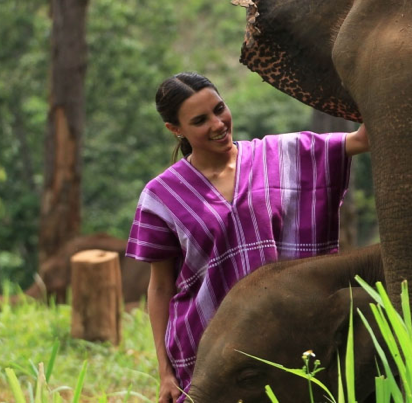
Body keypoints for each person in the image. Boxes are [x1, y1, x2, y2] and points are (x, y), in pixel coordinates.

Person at [126, 72, 369, 403]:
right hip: (203, 345)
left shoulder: (280, 155)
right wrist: (164, 372)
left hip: (282, 337)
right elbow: (160, 287)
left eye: (219, 108)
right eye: (200, 120)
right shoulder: (161, 196)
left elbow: (363, 139)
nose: (217, 124)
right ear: (175, 129)